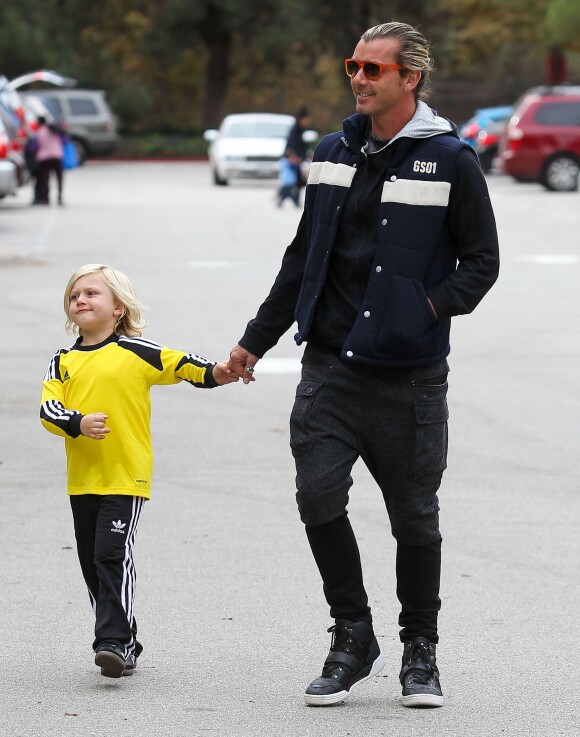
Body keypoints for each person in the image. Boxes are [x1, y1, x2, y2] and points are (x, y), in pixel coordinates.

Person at [228, 21, 499, 708]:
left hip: (409, 376)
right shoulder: (330, 152)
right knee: (317, 496)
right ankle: (352, 634)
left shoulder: (449, 159)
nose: (358, 77)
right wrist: (254, 340)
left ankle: (420, 648)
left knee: (414, 517)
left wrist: (426, 311)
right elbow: (301, 260)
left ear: (410, 78)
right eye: (355, 64)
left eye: (374, 69)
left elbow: (481, 262)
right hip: (328, 370)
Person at [40, 263, 238, 679]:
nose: (81, 300)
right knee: (90, 563)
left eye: (92, 293)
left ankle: (112, 642)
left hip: (126, 476)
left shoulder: (134, 350)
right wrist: (77, 422)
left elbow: (180, 362)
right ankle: (125, 638)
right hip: (82, 480)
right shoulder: (62, 361)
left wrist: (216, 373)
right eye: (75, 295)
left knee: (111, 554)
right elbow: (48, 409)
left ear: (118, 308)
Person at [32, 116, 64, 206]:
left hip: (44, 158)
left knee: (45, 179)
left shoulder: (39, 132)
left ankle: (46, 198)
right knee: (59, 178)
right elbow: (64, 140)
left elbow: (35, 146)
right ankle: (60, 197)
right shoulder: (56, 130)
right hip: (57, 156)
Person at [285, 105, 311, 197]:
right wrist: (294, 157)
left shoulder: (300, 130)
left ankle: (288, 197)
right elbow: (291, 145)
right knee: (296, 180)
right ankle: (284, 195)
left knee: (299, 181)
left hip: (299, 159)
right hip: (295, 159)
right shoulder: (295, 130)